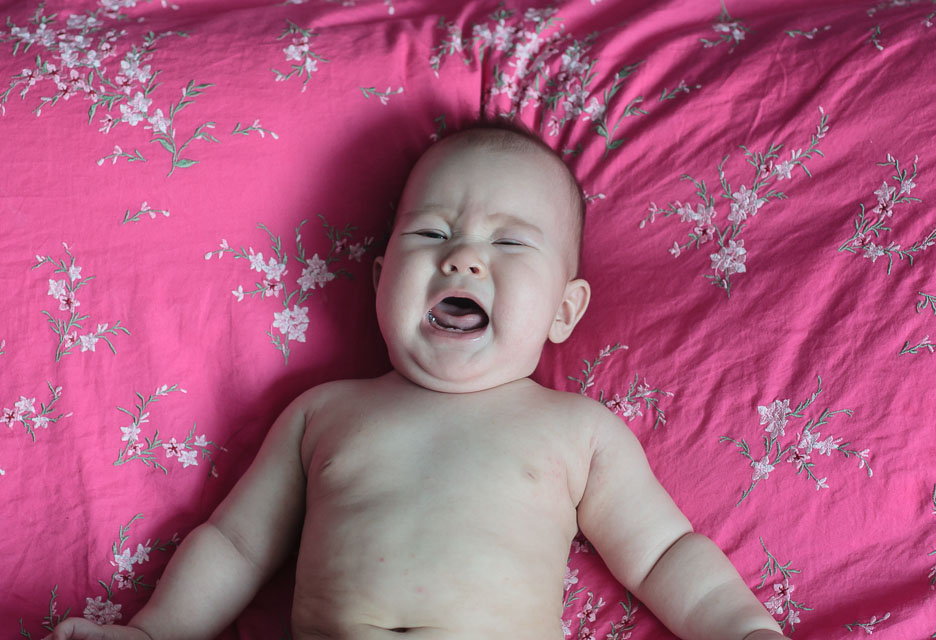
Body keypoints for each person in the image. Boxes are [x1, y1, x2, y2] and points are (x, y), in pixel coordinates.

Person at [47, 121, 784, 640]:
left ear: (564, 310)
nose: (462, 258)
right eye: (431, 233)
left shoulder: (578, 431)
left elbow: (664, 555)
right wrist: (156, 631)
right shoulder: (323, 413)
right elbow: (236, 544)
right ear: (379, 282)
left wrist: (744, 628)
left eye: (509, 241)